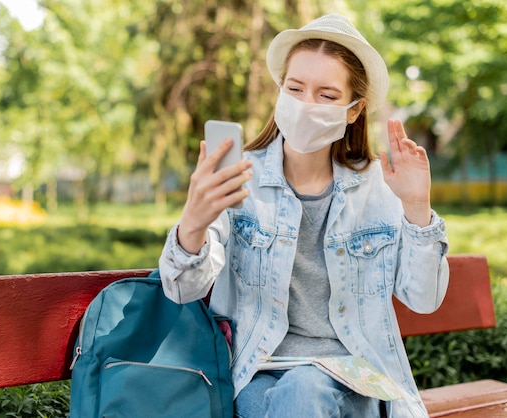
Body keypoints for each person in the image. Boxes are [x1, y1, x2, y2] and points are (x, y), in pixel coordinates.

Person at [159, 13, 449, 418]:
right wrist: (193, 224)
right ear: (280, 92)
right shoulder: (239, 177)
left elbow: (423, 300)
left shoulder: (379, 189)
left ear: (353, 110)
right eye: (294, 89)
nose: (305, 104)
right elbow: (181, 289)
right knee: (298, 393)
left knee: (306, 386)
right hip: (259, 375)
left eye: (326, 95)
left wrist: (417, 209)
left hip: (355, 381)